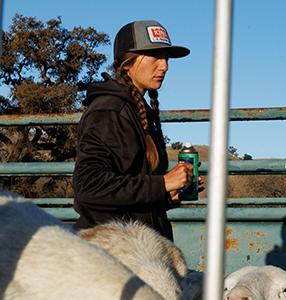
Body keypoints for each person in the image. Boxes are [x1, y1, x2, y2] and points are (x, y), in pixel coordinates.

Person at [72, 20, 199, 242]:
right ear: (127, 64)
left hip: (140, 247)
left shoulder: (139, 110)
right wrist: (162, 183)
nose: (165, 66)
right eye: (155, 57)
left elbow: (131, 195)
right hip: (110, 251)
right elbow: (89, 187)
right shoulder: (110, 111)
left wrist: (167, 195)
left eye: (166, 58)